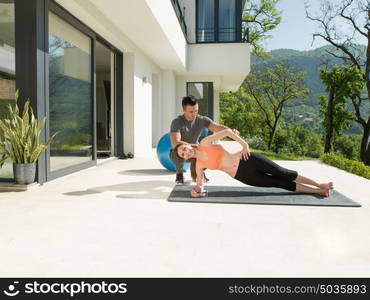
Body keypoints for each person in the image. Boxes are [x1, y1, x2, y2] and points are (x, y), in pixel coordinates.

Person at [173, 128, 334, 198]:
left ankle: (320, 185)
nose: (186, 152)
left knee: (283, 172)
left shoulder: (205, 142)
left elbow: (228, 132)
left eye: (184, 148)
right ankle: (318, 192)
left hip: (247, 159)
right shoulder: (199, 165)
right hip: (243, 175)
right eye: (183, 154)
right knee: (279, 183)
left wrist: (244, 145)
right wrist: (196, 190)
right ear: (186, 158)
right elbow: (201, 185)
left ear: (187, 144)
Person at [170, 95, 239, 184]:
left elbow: (216, 127)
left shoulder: (202, 120)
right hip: (181, 153)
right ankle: (179, 173)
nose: (194, 114)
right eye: (191, 111)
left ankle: (200, 172)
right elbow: (176, 143)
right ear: (184, 110)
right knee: (175, 153)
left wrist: (230, 131)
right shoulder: (177, 122)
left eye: (196, 111)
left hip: (195, 151)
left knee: (206, 152)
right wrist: (193, 147)